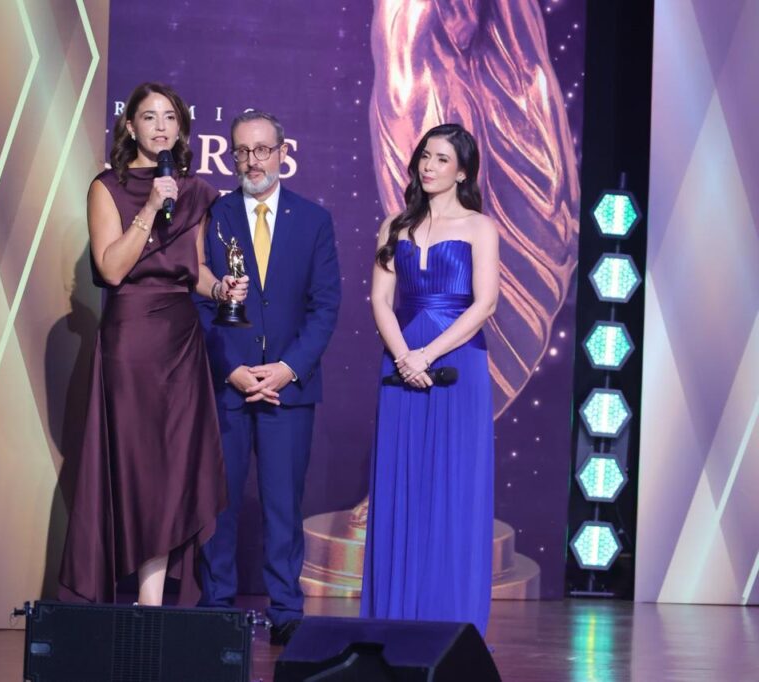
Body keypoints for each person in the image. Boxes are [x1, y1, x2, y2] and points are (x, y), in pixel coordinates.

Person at [58, 82, 244, 607]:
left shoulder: (198, 192)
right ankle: (118, 590)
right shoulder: (107, 188)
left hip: (181, 341)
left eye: (169, 117)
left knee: (173, 465)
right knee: (136, 462)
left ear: (181, 128)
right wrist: (150, 207)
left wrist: (221, 289)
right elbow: (112, 269)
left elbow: (195, 269)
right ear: (130, 125)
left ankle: (151, 601)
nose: (160, 127)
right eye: (149, 117)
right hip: (131, 338)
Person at [196, 110, 341, 645]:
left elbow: (325, 307)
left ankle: (285, 609)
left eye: (261, 150)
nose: (251, 161)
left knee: (283, 504)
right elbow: (198, 298)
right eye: (241, 151)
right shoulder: (214, 216)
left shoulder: (314, 220)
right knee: (220, 504)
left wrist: (286, 369)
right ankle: (216, 609)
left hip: (289, 390)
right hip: (227, 385)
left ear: (282, 152)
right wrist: (232, 370)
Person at [360, 123, 499, 636]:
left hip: (457, 365)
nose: (429, 166)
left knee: (453, 490)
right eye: (425, 156)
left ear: (462, 172)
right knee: (401, 485)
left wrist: (426, 356)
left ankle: (450, 625)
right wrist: (403, 357)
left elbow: (485, 304)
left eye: (441, 159)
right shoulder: (394, 226)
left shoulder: (480, 228)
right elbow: (380, 299)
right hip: (400, 363)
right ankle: (393, 622)